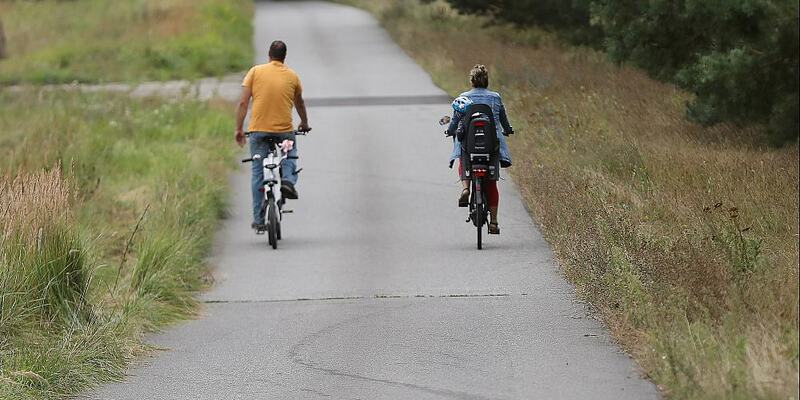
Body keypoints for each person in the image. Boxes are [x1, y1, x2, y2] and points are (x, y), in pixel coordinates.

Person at [235, 40, 311, 231]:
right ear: (284, 57)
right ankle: (287, 180)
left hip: (258, 132)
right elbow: (299, 103)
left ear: (269, 56)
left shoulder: (255, 72)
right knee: (289, 155)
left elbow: (243, 103)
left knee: (258, 173)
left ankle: (259, 220)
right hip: (284, 132)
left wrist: (238, 129)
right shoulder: (292, 76)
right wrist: (304, 123)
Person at [446, 64, 513, 235]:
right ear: (486, 81)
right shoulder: (495, 97)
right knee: (492, 183)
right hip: (491, 145)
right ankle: (494, 223)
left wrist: (450, 130)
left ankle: (466, 188)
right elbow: (503, 120)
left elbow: (455, 121)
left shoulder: (463, 97)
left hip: (469, 145)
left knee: (463, 156)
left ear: (472, 81)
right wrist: (508, 129)